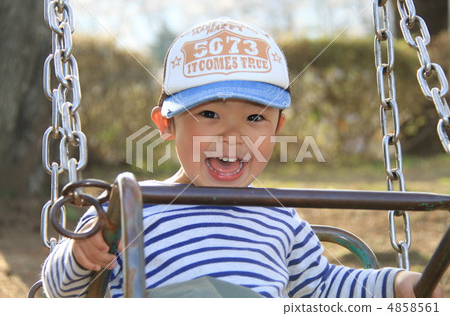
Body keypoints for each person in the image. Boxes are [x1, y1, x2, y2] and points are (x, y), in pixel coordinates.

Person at [41, 17, 442, 298]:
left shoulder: (280, 217)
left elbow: (322, 288)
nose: (234, 136)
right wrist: (80, 254)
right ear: (165, 124)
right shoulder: (128, 208)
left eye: (254, 118)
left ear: (277, 129)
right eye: (210, 115)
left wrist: (396, 284)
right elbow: (60, 289)